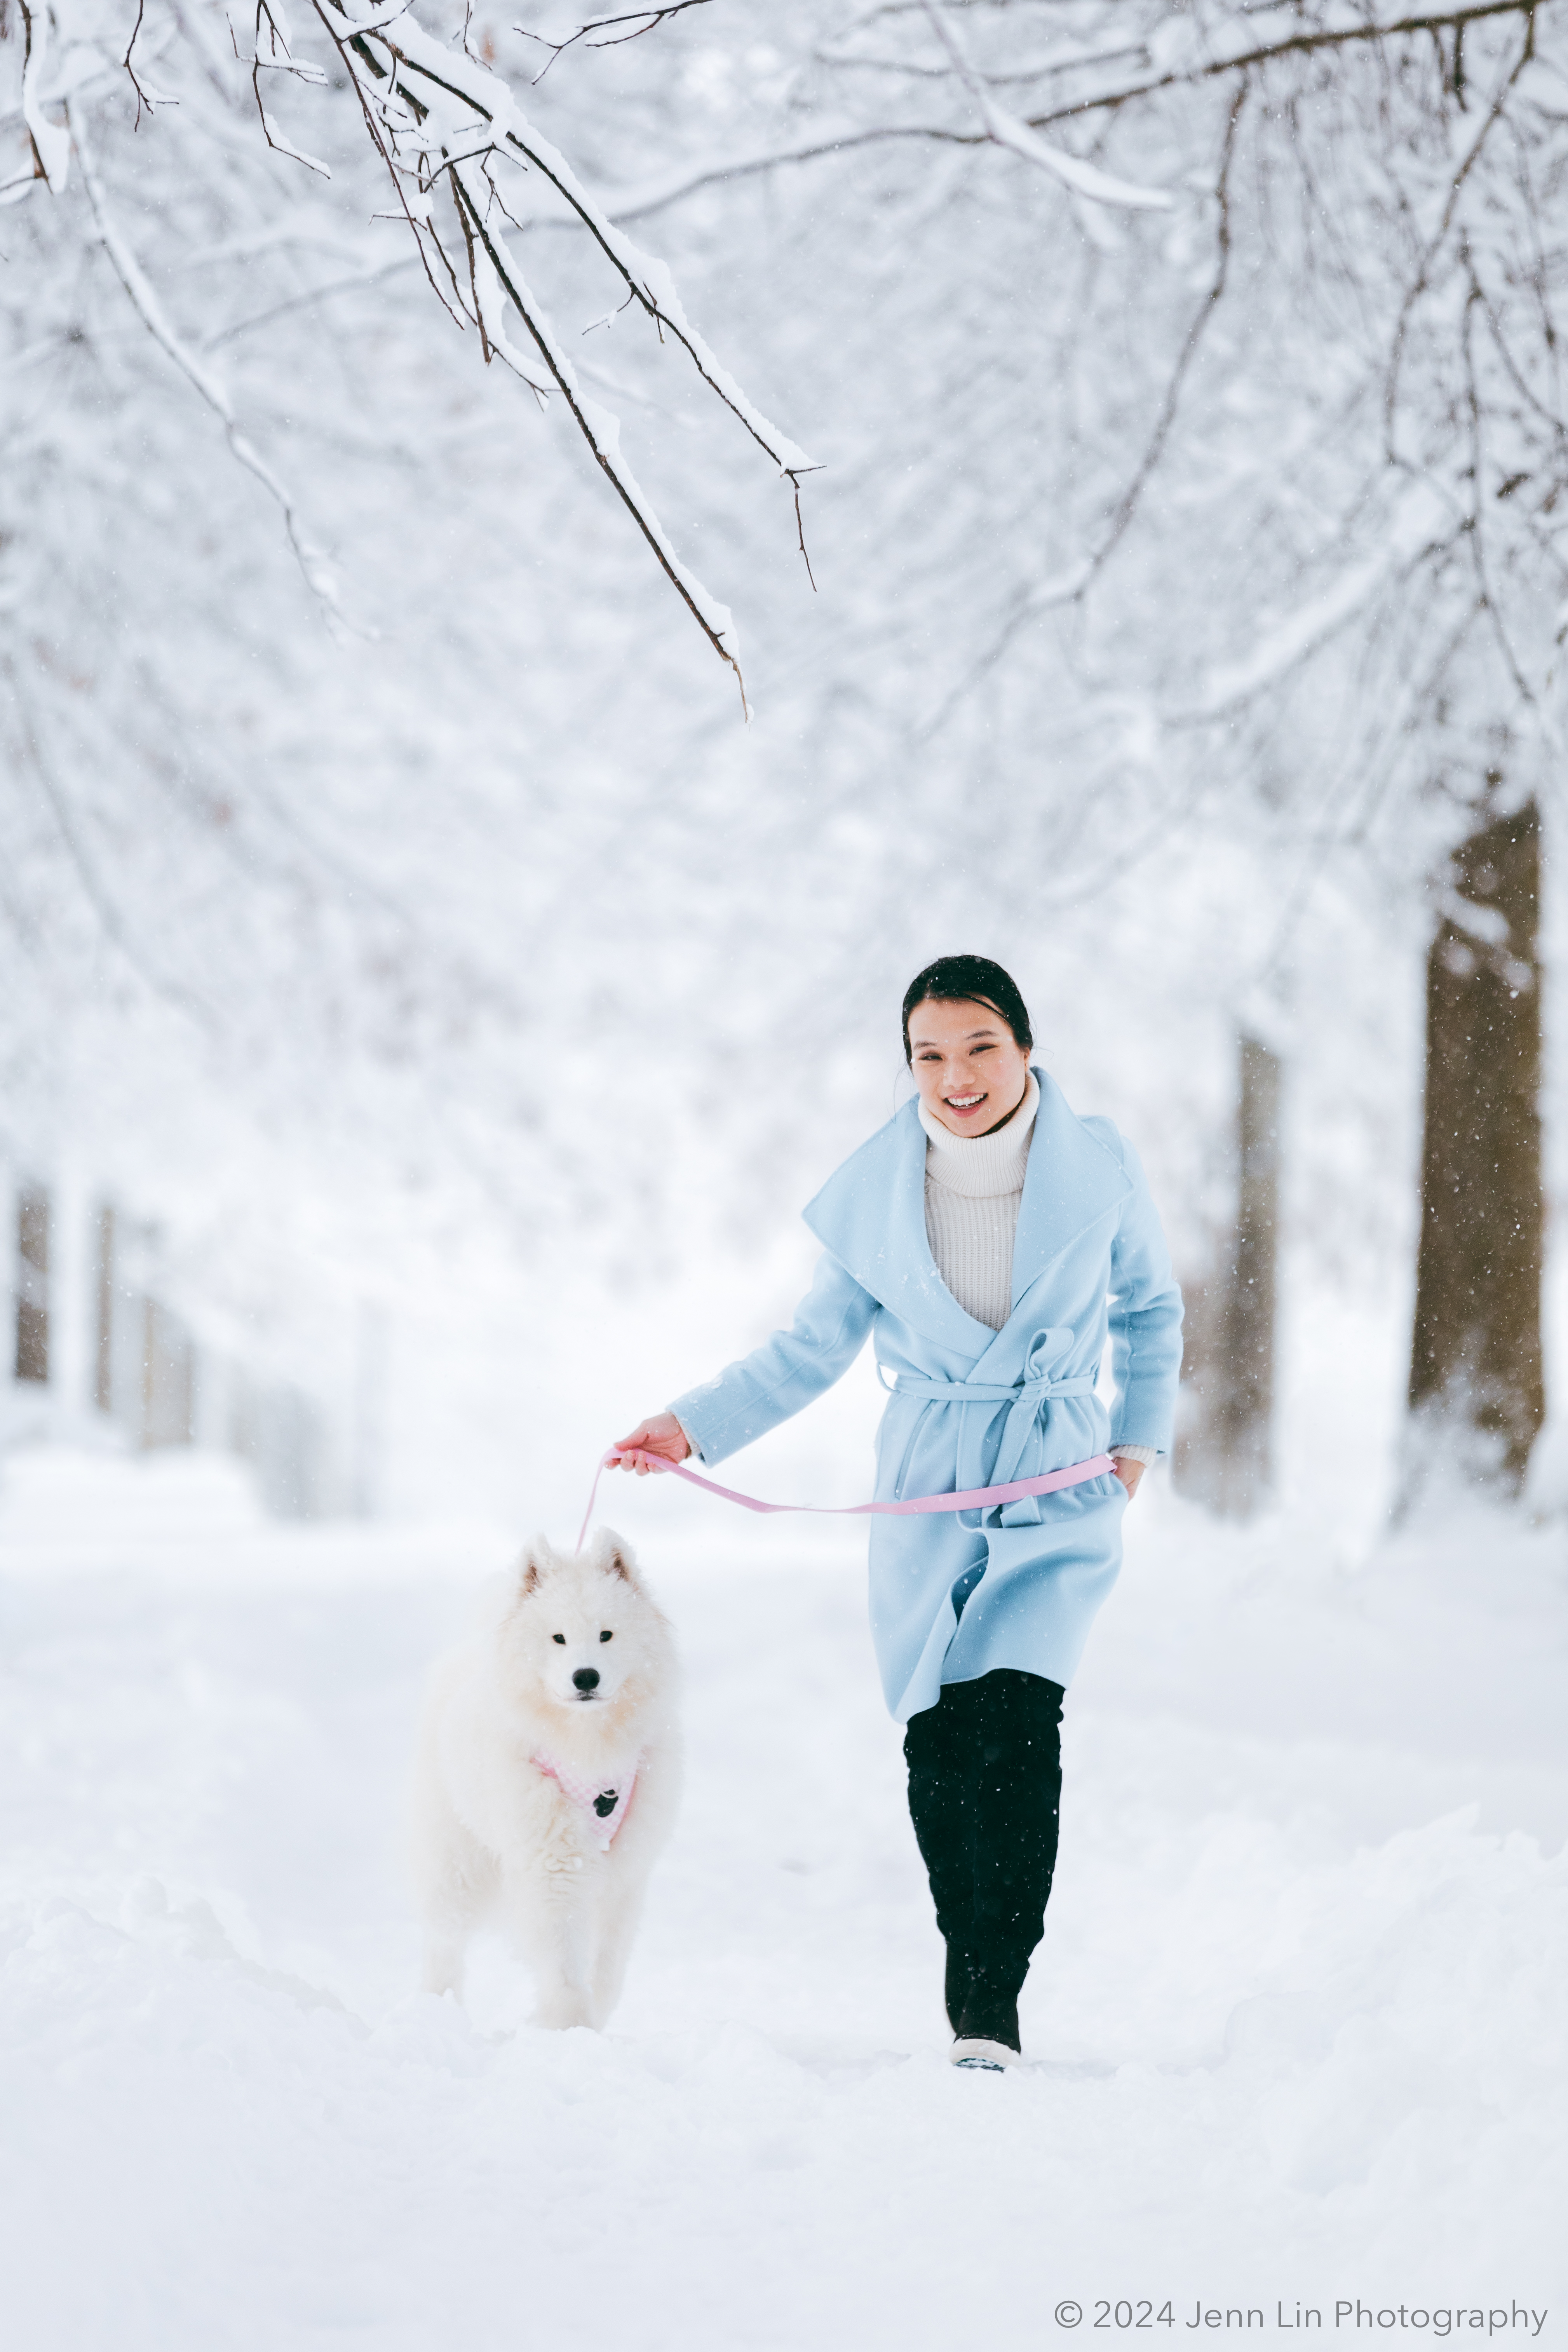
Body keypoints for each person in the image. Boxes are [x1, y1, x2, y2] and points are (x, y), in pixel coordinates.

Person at [613, 955, 1183, 2068]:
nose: (955, 1076)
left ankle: (990, 2000)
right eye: (928, 1055)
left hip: (1055, 1469)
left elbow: (1148, 1308)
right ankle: (965, 1945)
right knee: (938, 1741)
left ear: (1024, 1047)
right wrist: (689, 1425)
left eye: (978, 1047)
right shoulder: (879, 1188)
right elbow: (810, 1349)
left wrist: (1133, 1446)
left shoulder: (1098, 1164)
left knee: (1015, 1722)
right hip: (926, 1473)